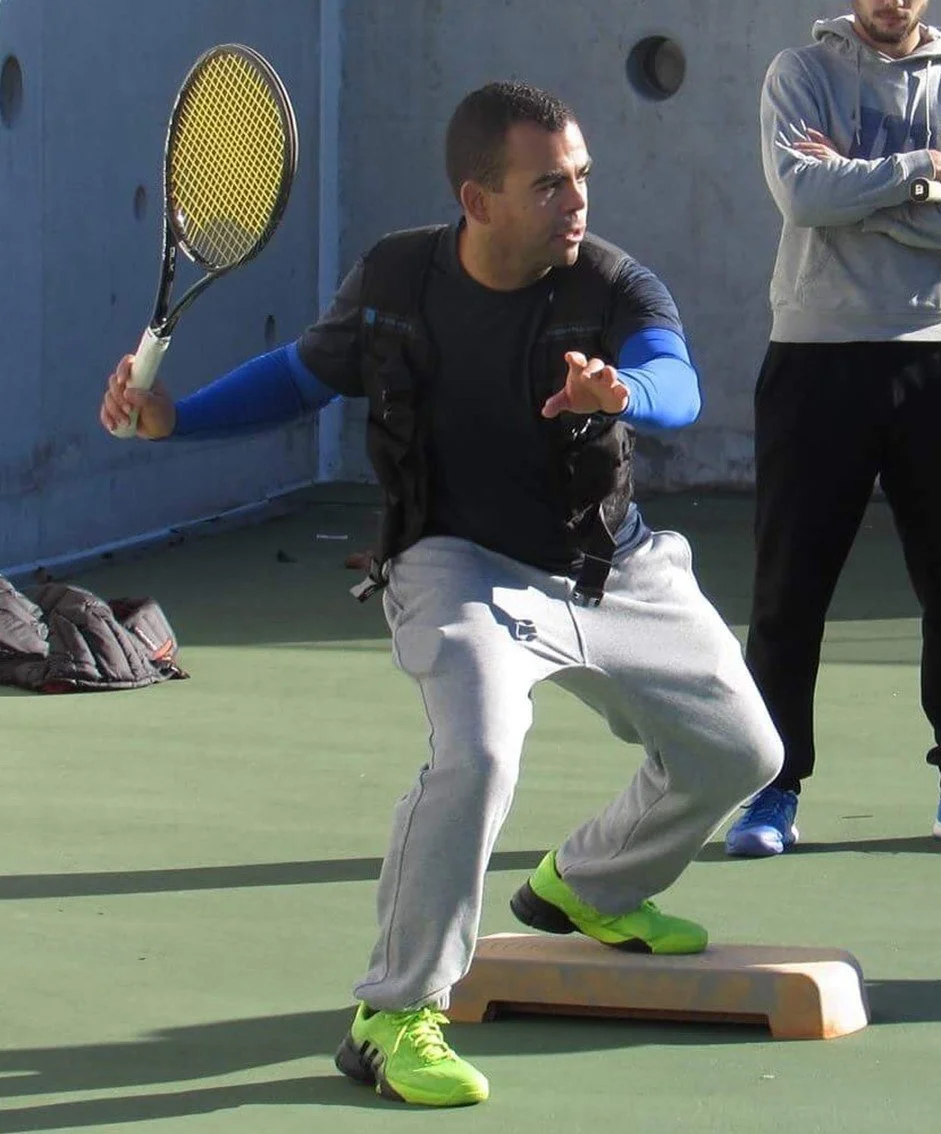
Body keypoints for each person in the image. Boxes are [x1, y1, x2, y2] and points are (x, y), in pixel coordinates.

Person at [100, 81, 784, 1108]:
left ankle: (589, 885)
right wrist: (173, 418)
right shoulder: (396, 281)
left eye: (583, 176)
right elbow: (300, 375)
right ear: (479, 199)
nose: (579, 199)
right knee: (477, 755)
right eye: (550, 183)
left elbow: (675, 383)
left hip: (610, 563)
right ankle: (393, 1012)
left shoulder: (615, 283)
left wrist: (623, 394)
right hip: (455, 561)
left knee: (745, 752)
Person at [725, 1, 941, 859]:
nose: (890, 2)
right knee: (789, 595)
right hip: (814, 360)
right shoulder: (800, 74)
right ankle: (771, 789)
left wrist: (860, 195)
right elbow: (799, 191)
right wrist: (930, 169)